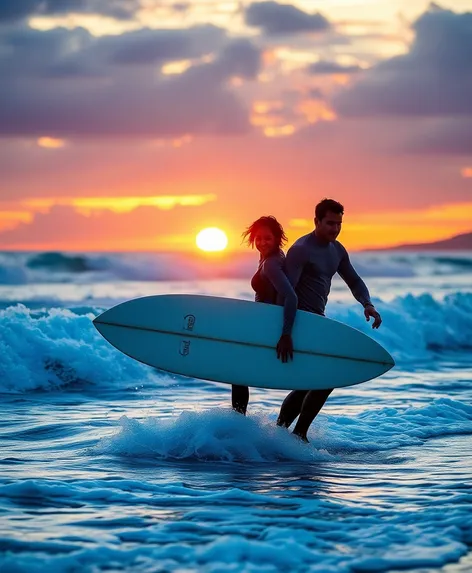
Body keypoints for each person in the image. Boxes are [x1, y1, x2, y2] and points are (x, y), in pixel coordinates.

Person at [276, 198, 382, 442]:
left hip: (317, 322)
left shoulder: (337, 250)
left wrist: (367, 304)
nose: (335, 229)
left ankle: (281, 434)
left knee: (311, 382)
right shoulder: (301, 249)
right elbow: (286, 293)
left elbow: (354, 280)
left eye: (339, 224)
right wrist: (285, 333)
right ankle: (297, 434)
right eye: (330, 223)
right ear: (316, 221)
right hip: (300, 321)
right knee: (328, 375)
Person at [232, 216, 298, 415]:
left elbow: (291, 297)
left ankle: (239, 422)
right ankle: (245, 422)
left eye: (267, 238)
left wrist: (285, 334)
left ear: (277, 238)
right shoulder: (271, 257)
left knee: (238, 373)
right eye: (258, 238)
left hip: (266, 326)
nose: (262, 243)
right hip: (263, 323)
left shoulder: (271, 263)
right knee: (238, 373)